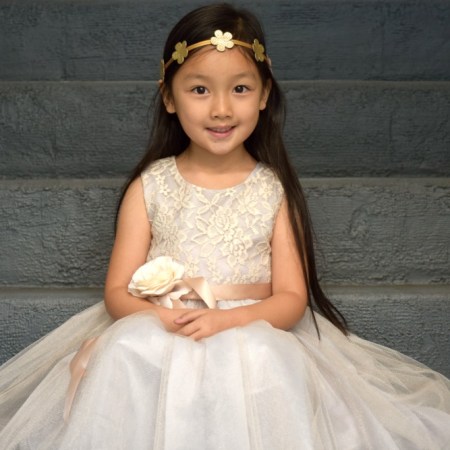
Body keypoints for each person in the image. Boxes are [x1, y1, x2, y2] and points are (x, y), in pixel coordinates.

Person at [1, 3, 449, 449]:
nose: (221, 109)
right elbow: (118, 292)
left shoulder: (273, 191)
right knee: (128, 348)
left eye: (239, 88)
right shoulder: (151, 186)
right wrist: (168, 318)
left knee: (265, 354)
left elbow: (291, 298)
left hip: (248, 326)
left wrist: (226, 321)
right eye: (199, 89)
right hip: (164, 322)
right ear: (169, 97)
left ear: (264, 94)